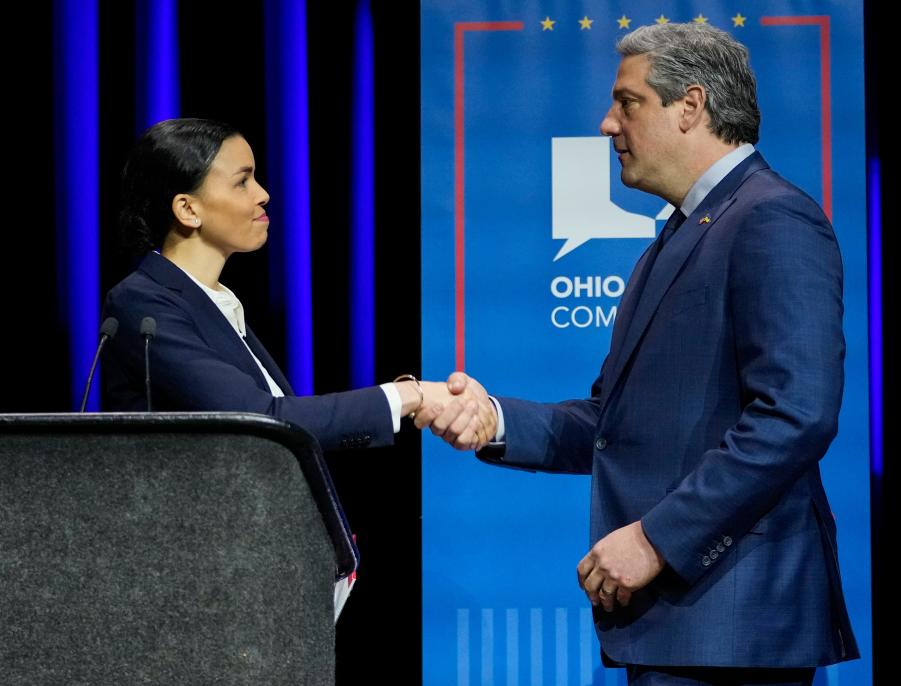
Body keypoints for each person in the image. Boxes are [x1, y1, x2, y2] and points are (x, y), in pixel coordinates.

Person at [430, 23, 859, 685]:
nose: (606, 124)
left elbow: (795, 414)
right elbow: (612, 425)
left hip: (733, 626)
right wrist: (493, 418)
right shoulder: (672, 243)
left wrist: (659, 537)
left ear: (691, 106)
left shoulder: (771, 218)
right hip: (680, 628)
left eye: (627, 103)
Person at [102, 118, 495, 452]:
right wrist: (412, 396)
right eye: (243, 182)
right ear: (188, 209)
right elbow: (261, 421)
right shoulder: (142, 303)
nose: (263, 194)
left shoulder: (215, 302)